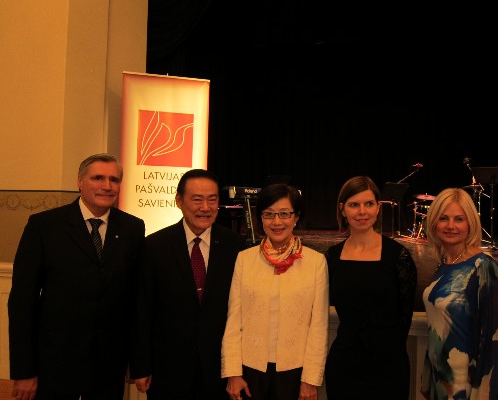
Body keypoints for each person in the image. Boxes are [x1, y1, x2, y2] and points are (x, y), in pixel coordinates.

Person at [8, 153, 146, 400]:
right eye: (98, 178)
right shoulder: (45, 226)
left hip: (109, 364)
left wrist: (136, 360)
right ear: (79, 182)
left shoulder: (133, 228)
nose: (106, 185)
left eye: (114, 179)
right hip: (54, 362)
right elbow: (22, 301)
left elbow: (135, 300)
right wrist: (23, 370)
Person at [130, 168, 246, 399]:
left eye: (212, 199)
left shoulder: (236, 246)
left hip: (220, 370)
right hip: (167, 369)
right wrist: (141, 366)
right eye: (197, 199)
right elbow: (141, 310)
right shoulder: (155, 246)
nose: (205, 208)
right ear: (179, 201)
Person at [221, 183, 329, 400]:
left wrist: (310, 379)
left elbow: (319, 326)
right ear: (261, 218)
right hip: (249, 368)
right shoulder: (245, 259)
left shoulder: (316, 262)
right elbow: (233, 320)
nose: (277, 222)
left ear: (296, 217)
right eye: (269, 214)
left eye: (284, 214)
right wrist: (232, 372)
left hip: (295, 371)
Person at [324, 175, 417, 400]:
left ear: (377, 208)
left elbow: (405, 316)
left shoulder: (399, 256)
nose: (362, 211)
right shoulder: (332, 257)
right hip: (344, 363)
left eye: (369, 204)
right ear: (343, 210)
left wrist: (388, 352)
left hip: (388, 365)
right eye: (354, 205)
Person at [420, 187, 498, 399]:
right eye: (443, 218)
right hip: (441, 384)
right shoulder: (444, 264)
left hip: (466, 388)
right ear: (434, 222)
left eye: (459, 219)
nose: (451, 226)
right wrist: (428, 381)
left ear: (470, 223)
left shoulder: (484, 267)